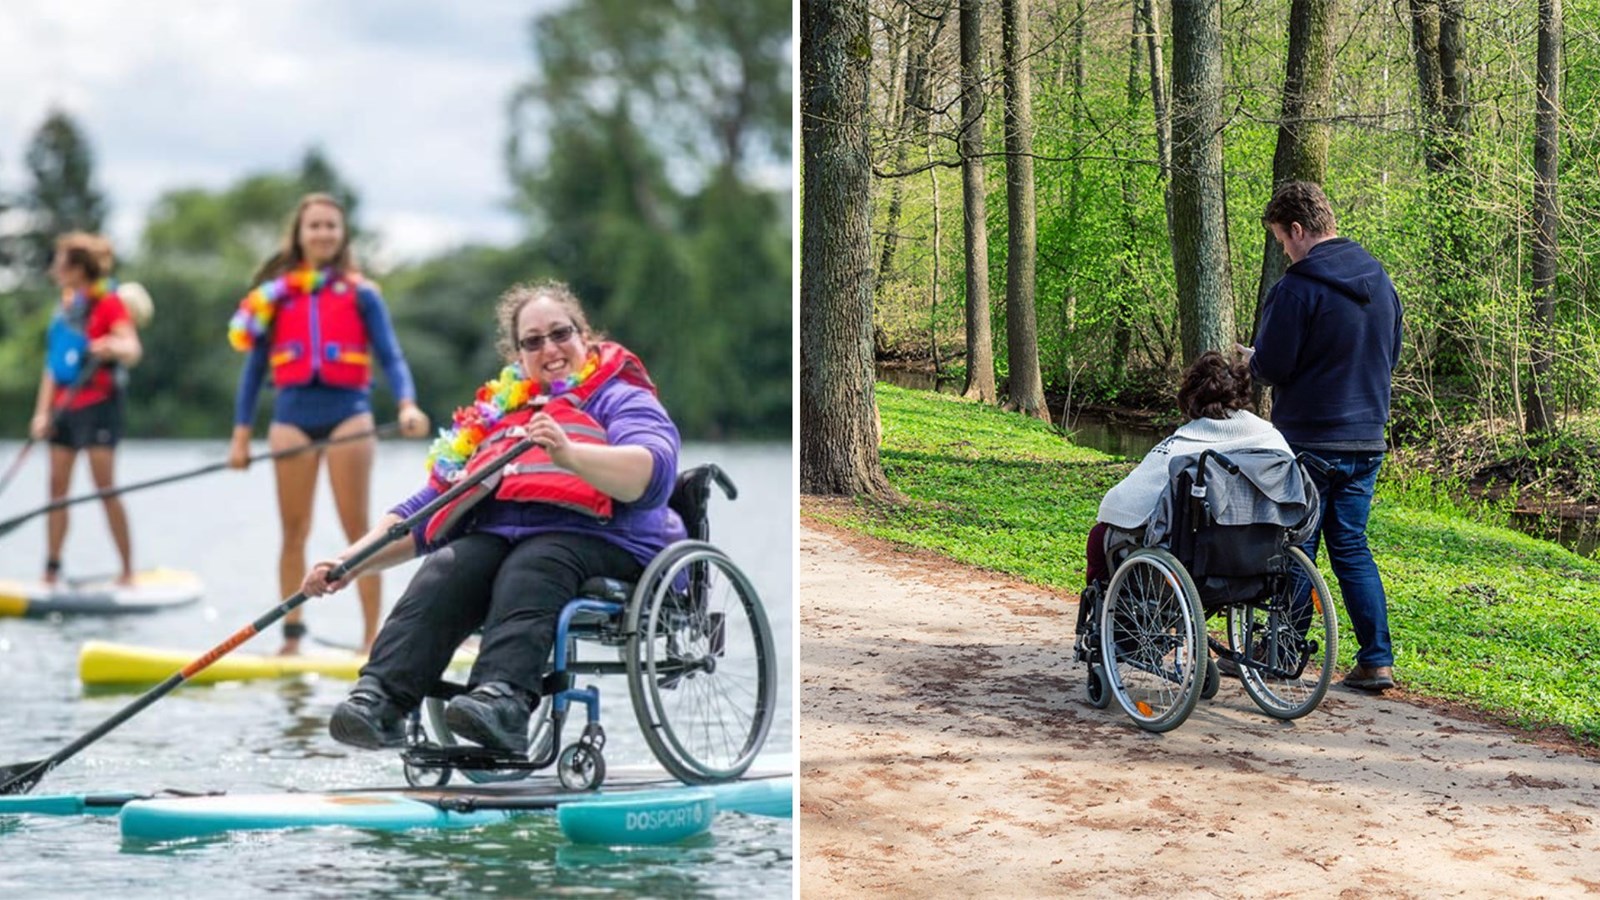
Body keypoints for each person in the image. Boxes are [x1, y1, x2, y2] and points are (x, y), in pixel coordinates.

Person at [302, 281, 686, 753]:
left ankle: (503, 700)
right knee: (452, 561)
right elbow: (426, 510)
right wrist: (349, 562)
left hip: (611, 541)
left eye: (560, 333)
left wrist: (570, 455)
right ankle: (382, 699)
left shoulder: (619, 397)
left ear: (584, 335)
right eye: (533, 341)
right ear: (518, 355)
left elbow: (654, 472)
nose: (550, 349)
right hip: (512, 544)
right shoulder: (496, 418)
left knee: (537, 558)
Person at [226, 193, 430, 655]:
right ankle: (291, 639)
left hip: (348, 416)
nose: (322, 233)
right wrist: (240, 436)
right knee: (293, 532)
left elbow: (391, 356)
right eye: (314, 225)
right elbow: (254, 370)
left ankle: (370, 640)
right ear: (299, 235)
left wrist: (407, 405)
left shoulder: (363, 293)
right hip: (291, 420)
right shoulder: (274, 297)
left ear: (342, 235)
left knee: (360, 531)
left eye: (330, 226)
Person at [1245, 180, 1404, 692]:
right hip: (1367, 438)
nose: (1284, 252)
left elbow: (1273, 366)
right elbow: (1391, 355)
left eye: (1282, 240)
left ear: (1298, 230)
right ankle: (1376, 660)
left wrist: (1252, 361)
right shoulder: (1379, 280)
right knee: (1351, 546)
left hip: (1310, 438)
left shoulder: (1297, 287)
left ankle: (1282, 649)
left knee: (1297, 544)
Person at [1083, 351, 1291, 590]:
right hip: (1258, 552)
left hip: (1193, 557)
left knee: (1098, 536)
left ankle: (1105, 609)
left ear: (1192, 397)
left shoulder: (1183, 444)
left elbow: (1119, 505)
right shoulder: (1272, 439)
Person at [30, 232, 142, 587]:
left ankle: (127, 570)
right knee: (56, 488)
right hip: (64, 407)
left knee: (103, 486)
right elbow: (52, 367)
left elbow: (132, 347)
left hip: (99, 406)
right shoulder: (63, 309)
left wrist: (112, 345)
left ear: (78, 268)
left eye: (60, 263)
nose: (54, 269)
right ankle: (51, 570)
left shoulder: (108, 303)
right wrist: (42, 413)